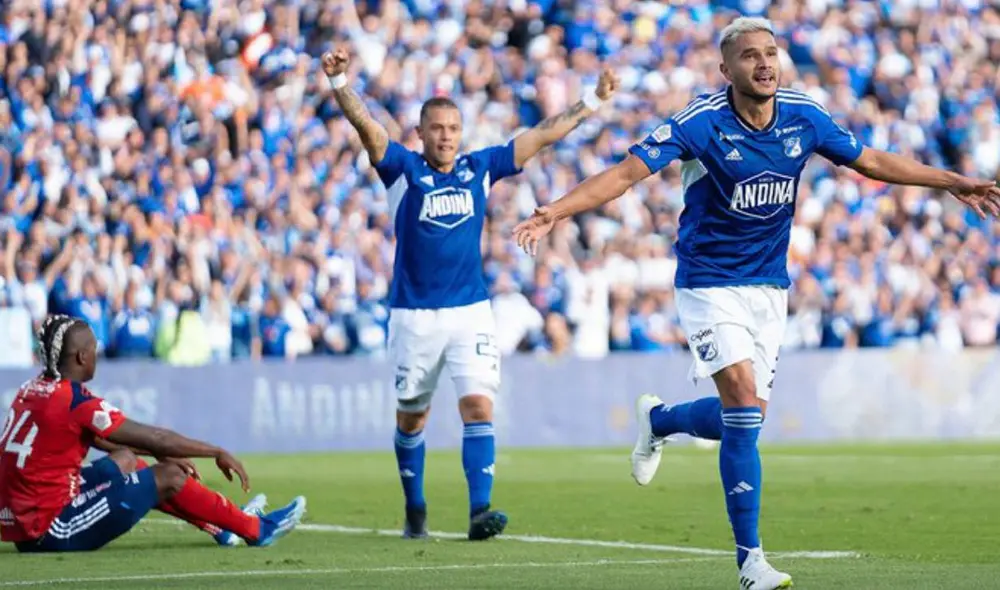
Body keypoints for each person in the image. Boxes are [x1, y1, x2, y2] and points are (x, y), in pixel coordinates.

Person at [512, 17, 1000, 590]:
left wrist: (950, 181)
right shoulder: (700, 122)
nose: (764, 63)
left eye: (771, 53)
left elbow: (871, 160)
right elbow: (624, 175)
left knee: (745, 421)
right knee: (743, 407)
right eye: (750, 56)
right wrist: (557, 210)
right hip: (708, 284)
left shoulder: (804, 114)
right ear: (727, 70)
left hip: (769, 289)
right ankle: (751, 562)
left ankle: (660, 419)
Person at [321, 46, 620, 540]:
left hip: (470, 312)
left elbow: (540, 136)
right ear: (421, 134)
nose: (446, 137)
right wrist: (339, 84)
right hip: (414, 315)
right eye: (437, 129)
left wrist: (592, 99)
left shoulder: (480, 167)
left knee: (478, 406)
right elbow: (368, 128)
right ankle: (414, 505)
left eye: (453, 129)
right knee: (412, 418)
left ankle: (480, 511)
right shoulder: (401, 169)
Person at [0, 314, 307, 552]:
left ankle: (222, 527)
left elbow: (100, 438)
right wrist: (216, 451)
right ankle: (256, 529)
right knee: (169, 477)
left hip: (26, 519)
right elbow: (154, 436)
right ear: (81, 357)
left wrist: (157, 451)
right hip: (50, 528)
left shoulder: (32, 389)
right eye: (94, 348)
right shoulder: (74, 400)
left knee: (127, 459)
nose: (97, 353)